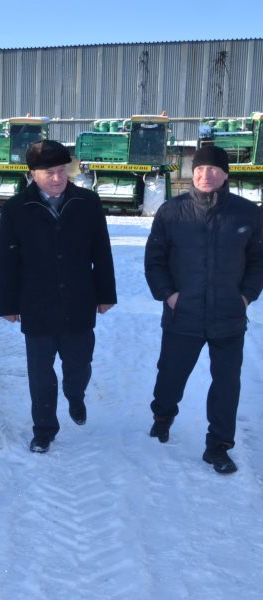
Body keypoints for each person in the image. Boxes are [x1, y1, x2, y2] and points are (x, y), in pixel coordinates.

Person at [145, 145, 263, 474]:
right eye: (199, 168)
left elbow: (258, 261)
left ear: (226, 174)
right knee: (170, 377)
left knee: (226, 384)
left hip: (228, 316)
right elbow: (155, 260)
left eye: (213, 169)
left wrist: (246, 296)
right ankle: (163, 415)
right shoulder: (172, 212)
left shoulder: (247, 213)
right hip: (183, 314)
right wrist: (169, 295)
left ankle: (218, 447)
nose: (205, 174)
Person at [0, 140, 116, 453]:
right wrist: (8, 304)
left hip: (78, 300)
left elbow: (101, 252)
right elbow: (7, 260)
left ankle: (75, 395)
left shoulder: (87, 203)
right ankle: (44, 430)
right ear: (33, 174)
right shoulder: (15, 209)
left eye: (62, 170)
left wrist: (105, 294)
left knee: (78, 366)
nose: (57, 177)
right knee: (40, 375)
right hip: (36, 303)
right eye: (49, 172)